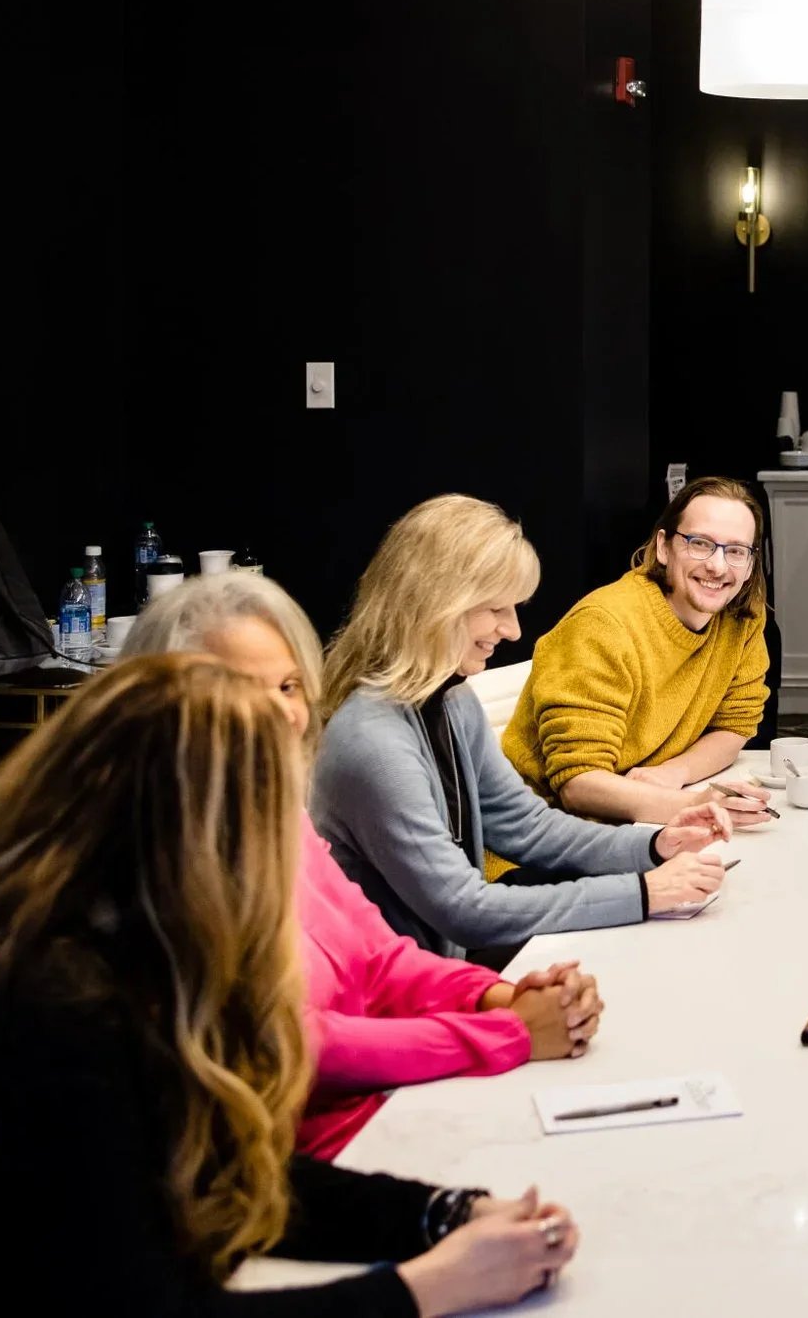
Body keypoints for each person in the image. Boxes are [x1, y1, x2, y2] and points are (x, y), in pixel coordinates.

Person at [0, 656, 581, 1313]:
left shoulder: (120, 953)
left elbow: (225, 1175)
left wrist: (444, 1214)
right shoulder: (57, 1010)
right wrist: (429, 1285)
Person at [125, 573, 605, 1157]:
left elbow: (379, 961)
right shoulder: (157, 858)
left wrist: (499, 997)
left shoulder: (278, 818)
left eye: (289, 685)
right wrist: (508, 1032)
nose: (282, 713)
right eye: (241, 690)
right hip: (278, 1175)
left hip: (378, 1117)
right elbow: (291, 1043)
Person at [315, 495, 732, 959]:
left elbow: (527, 827)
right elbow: (464, 909)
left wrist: (655, 844)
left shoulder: (450, 699)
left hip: (440, 974)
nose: (513, 629)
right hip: (396, 1003)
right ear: (436, 605)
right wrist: (644, 892)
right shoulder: (373, 742)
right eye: (496, 608)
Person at [502, 477, 773, 828]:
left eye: (736, 551)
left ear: (751, 564)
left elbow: (735, 726)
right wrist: (696, 805)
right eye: (700, 543)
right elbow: (578, 784)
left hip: (641, 818)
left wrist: (673, 773)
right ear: (664, 547)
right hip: (542, 836)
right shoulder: (603, 625)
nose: (718, 567)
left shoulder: (743, 617)